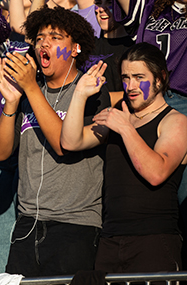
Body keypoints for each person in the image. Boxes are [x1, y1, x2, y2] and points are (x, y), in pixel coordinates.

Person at [0, 6, 110, 277]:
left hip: (74, 225)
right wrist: (11, 103)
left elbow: (62, 144)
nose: (44, 42)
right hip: (27, 224)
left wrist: (30, 88)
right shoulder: (30, 95)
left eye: (55, 37)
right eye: (40, 37)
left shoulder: (91, 91)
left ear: (76, 48)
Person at [61, 42, 187, 272]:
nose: (131, 86)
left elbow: (156, 173)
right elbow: (71, 142)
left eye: (140, 77)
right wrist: (79, 93)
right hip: (110, 239)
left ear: (160, 78)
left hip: (154, 241)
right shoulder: (119, 116)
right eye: (126, 78)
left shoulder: (175, 121)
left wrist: (126, 129)